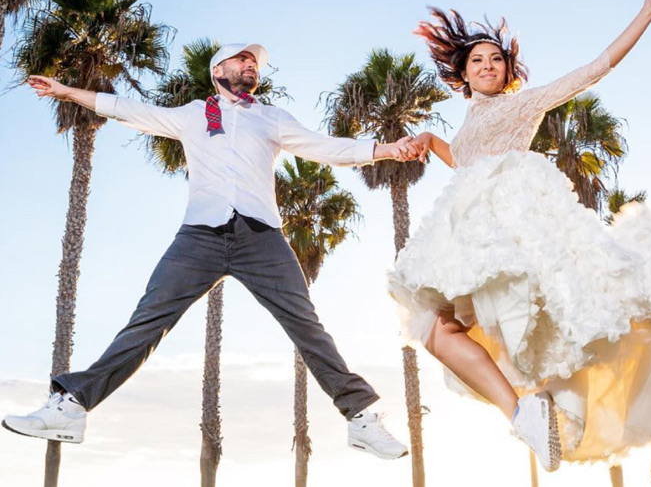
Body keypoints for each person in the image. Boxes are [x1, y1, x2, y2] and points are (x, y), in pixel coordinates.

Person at [4, 42, 415, 460]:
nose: (250, 64)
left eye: (254, 62)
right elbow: (129, 109)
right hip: (199, 236)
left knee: (306, 325)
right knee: (147, 322)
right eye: (242, 58)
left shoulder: (270, 118)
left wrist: (384, 149)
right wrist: (68, 92)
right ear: (218, 70)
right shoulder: (192, 115)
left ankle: (361, 417)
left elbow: (321, 146)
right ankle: (71, 408)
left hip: (261, 238)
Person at [389, 0, 651, 471]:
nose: (489, 65)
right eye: (478, 60)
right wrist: (430, 140)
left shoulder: (523, 105)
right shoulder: (471, 117)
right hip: (471, 237)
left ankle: (540, 405)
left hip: (516, 231)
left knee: (516, 329)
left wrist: (645, 14)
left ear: (507, 72)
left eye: (497, 59)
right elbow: (468, 163)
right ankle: (522, 414)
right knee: (436, 331)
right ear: (464, 73)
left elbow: (596, 67)